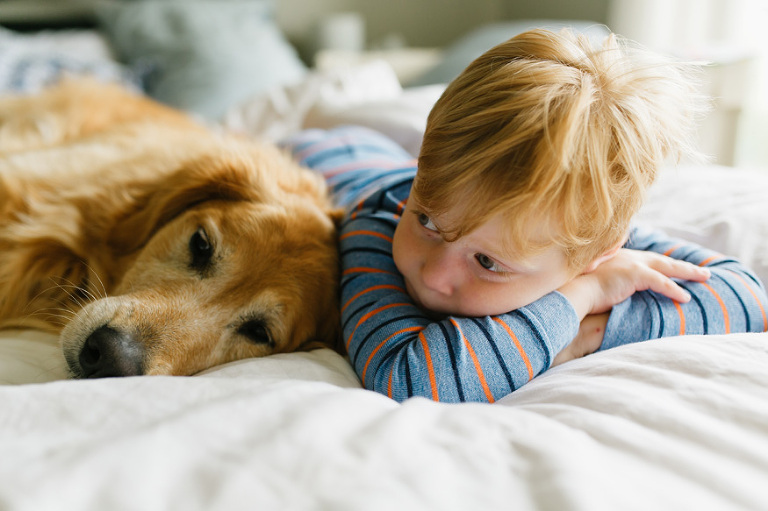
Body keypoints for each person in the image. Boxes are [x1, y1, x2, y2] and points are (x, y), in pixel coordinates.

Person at [283, 28, 768, 403]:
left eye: (488, 263)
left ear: (598, 254)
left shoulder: (574, 229)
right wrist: (579, 301)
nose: (433, 275)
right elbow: (409, 378)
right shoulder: (377, 224)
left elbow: (747, 297)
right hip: (325, 155)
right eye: (427, 221)